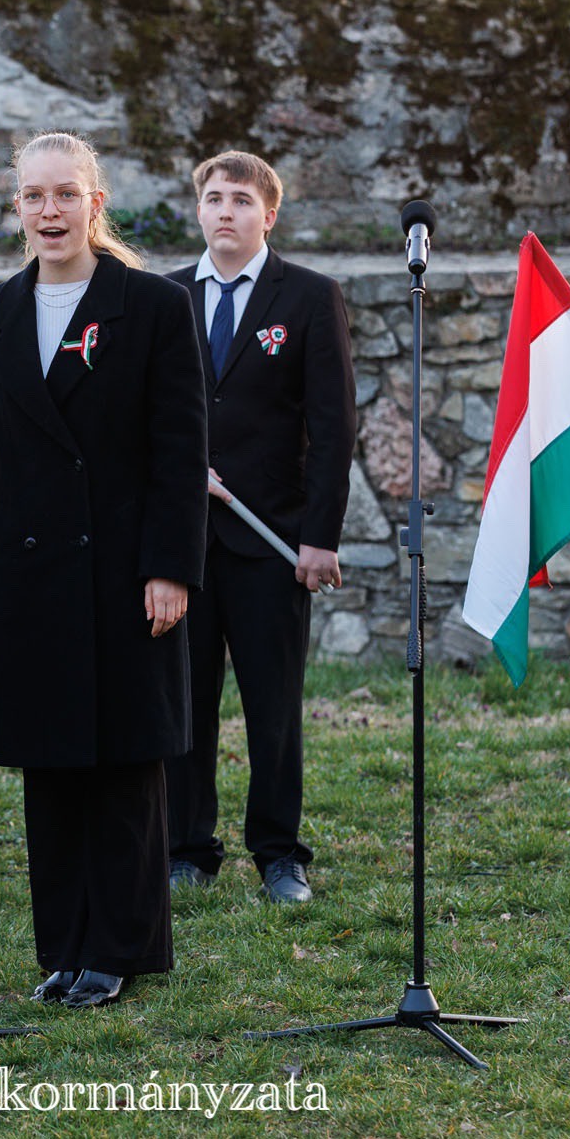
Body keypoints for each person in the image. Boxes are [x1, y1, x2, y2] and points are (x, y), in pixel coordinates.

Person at [0, 131, 208, 1008]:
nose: (49, 211)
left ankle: (119, 948)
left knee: (125, 764)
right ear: (17, 207)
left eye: (66, 193)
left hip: (127, 572)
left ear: (96, 203)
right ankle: (63, 946)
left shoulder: (155, 305)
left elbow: (181, 451)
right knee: (52, 765)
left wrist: (171, 564)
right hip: (29, 575)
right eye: (34, 196)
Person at [163, 152, 356, 904]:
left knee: (272, 708)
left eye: (241, 200)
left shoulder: (308, 295)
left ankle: (279, 853)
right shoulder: (166, 296)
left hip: (271, 541)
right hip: (183, 541)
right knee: (185, 701)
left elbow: (333, 426)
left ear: (268, 215)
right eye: (214, 198)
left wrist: (320, 535)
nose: (225, 211)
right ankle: (187, 847)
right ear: (199, 210)